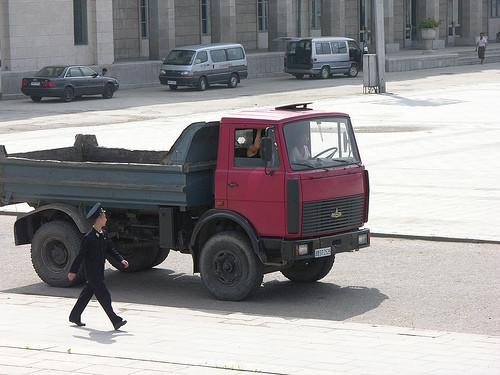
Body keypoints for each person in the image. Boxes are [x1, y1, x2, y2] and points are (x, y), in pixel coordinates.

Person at [68, 203, 129, 330]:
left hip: (99, 271)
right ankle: (115, 320)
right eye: (104, 217)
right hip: (92, 273)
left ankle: (74, 316)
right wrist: (73, 271)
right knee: (104, 296)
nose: (106, 219)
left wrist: (121, 259)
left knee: (86, 295)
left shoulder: (103, 233)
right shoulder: (89, 238)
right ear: (98, 219)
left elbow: (111, 249)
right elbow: (80, 256)